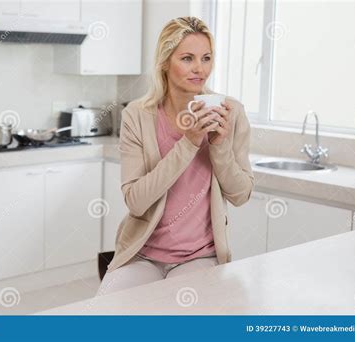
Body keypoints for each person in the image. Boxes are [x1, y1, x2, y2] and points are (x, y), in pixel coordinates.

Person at [96, 16, 254, 296]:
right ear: (165, 62)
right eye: (187, 58)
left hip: (200, 256)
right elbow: (136, 201)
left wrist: (219, 146)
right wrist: (190, 142)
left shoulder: (232, 112)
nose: (199, 69)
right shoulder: (138, 115)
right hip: (143, 253)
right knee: (102, 315)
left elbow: (241, 195)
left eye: (206, 58)